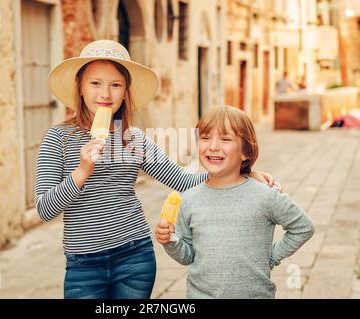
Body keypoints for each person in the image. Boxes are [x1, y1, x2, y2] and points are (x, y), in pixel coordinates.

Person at [36, 40, 280, 299]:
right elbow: (44, 209)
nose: (105, 94)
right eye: (95, 83)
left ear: (125, 92)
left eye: (115, 85)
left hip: (134, 256)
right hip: (82, 265)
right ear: (80, 87)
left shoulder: (134, 139)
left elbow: (183, 181)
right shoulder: (58, 139)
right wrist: (81, 172)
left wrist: (241, 173)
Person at [155, 105, 315, 299]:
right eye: (205, 138)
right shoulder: (188, 199)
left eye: (225, 139)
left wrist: (271, 256)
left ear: (246, 152)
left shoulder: (265, 195)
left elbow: (303, 227)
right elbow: (187, 256)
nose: (213, 146)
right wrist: (170, 240)